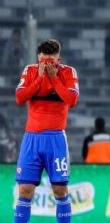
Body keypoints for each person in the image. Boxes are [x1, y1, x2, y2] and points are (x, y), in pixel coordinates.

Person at [14, 39, 79, 223]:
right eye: (43, 61)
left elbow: (72, 100)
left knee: (60, 190)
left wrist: (54, 79)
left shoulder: (67, 72)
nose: (47, 65)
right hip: (31, 140)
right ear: (38, 58)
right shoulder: (31, 71)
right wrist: (40, 79)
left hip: (55, 139)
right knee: (25, 190)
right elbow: (20, 98)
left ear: (58, 59)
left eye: (51, 61)